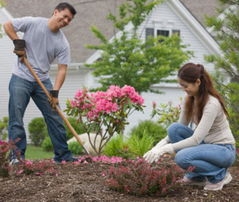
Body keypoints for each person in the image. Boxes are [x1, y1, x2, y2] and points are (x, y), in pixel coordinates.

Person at [4, 2, 78, 163]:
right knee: (16, 117)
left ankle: (62, 156)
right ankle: (16, 157)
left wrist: (55, 92)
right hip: (21, 77)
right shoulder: (33, 23)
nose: (66, 21)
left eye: (69, 20)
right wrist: (18, 42)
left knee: (55, 116)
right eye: (65, 16)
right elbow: (8, 25)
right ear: (55, 12)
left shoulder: (62, 43)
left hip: (42, 81)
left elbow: (62, 69)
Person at [144, 63, 236, 191]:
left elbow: (195, 140)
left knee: (182, 157)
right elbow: (178, 130)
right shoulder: (190, 99)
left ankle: (220, 175)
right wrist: (158, 146)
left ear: (197, 82)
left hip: (223, 150)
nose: (184, 89)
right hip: (206, 145)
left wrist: (165, 149)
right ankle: (197, 175)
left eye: (185, 86)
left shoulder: (211, 104)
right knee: (174, 129)